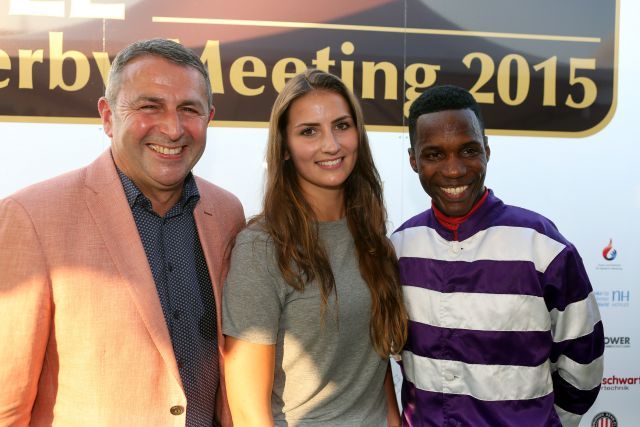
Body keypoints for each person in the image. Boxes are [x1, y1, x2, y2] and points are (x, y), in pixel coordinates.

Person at [0, 39, 244, 426]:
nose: (172, 127)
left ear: (209, 117)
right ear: (108, 116)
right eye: (149, 106)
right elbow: (6, 402)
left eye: (189, 109)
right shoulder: (31, 217)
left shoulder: (227, 213)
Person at [391, 85, 604, 427]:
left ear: (487, 152)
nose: (454, 169)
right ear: (413, 160)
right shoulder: (398, 248)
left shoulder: (542, 246)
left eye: (468, 150)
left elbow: (584, 361)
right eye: (434, 154)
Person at [222, 69, 407, 426]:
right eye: (309, 131)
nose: (331, 145)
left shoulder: (371, 237)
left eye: (342, 125)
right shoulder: (262, 248)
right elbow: (248, 412)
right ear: (285, 148)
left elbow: (373, 368)